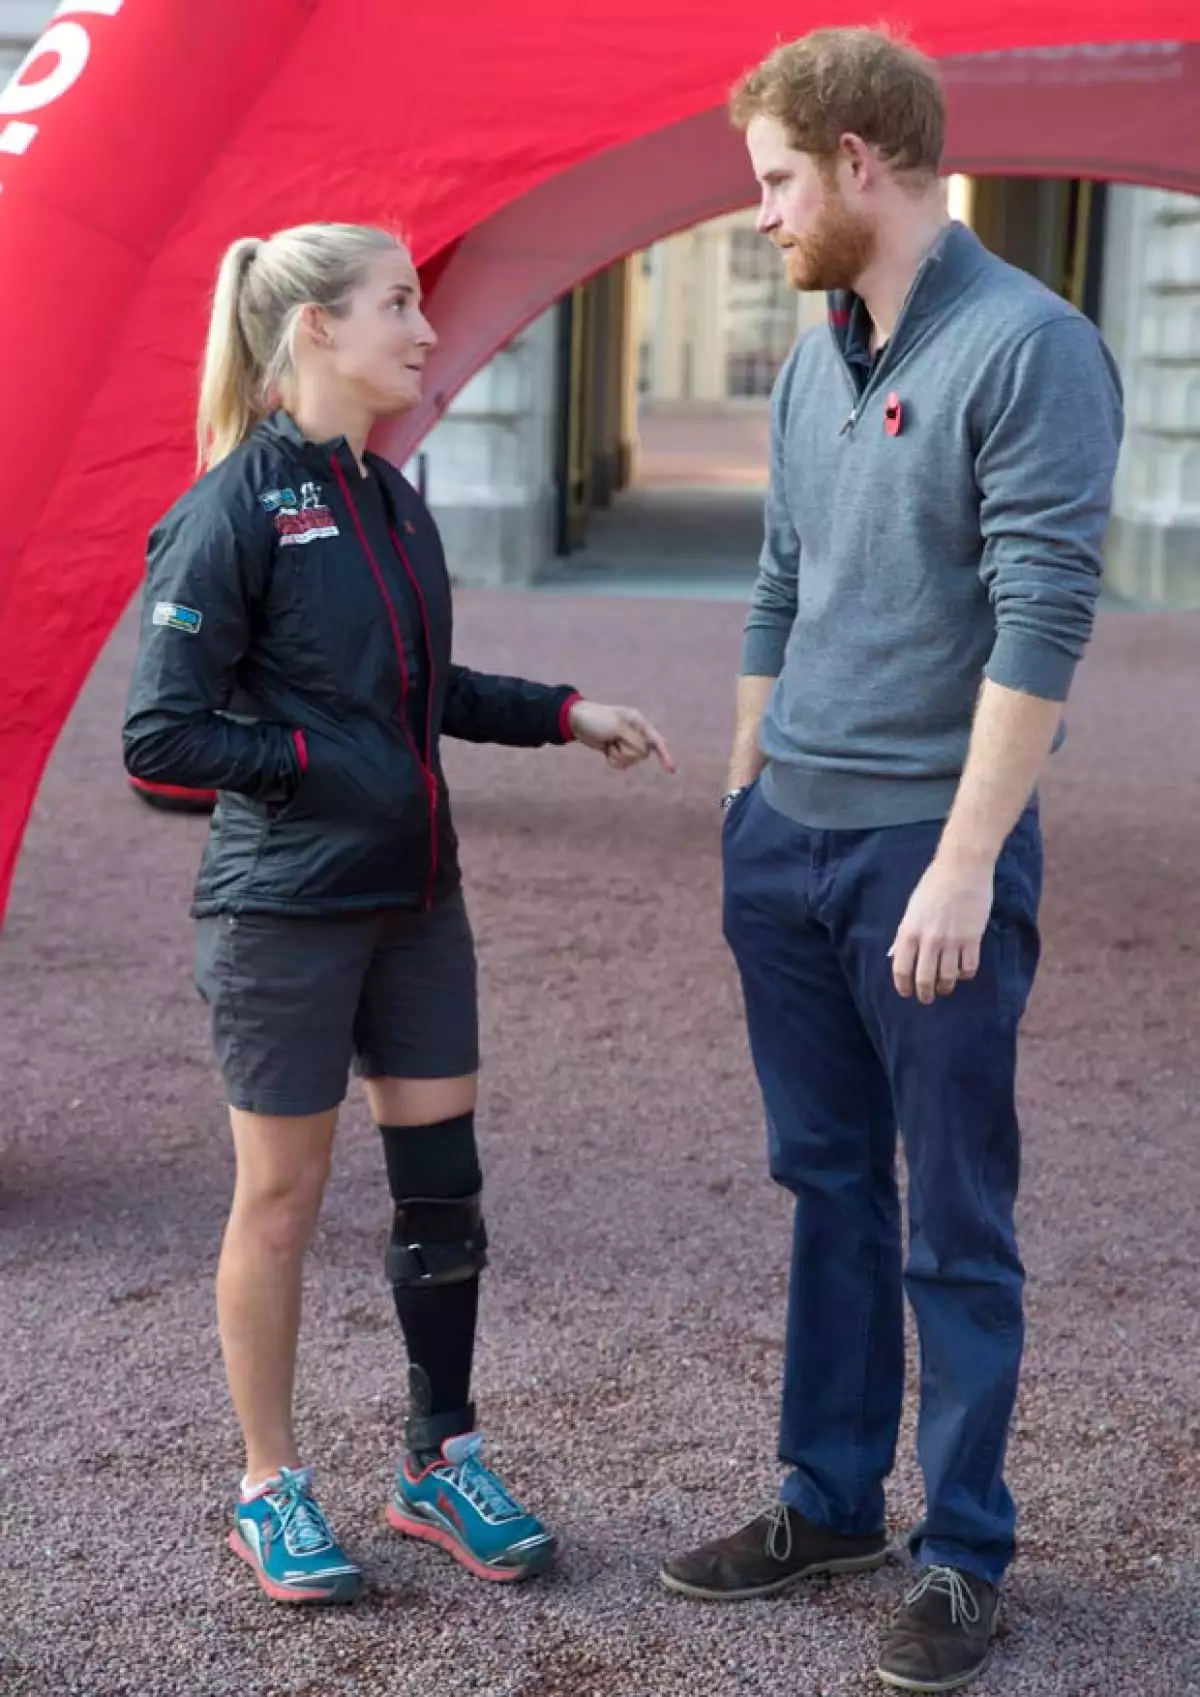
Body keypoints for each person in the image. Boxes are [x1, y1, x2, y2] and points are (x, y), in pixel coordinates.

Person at [658, 28, 1122, 1694]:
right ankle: (829, 1501)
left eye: (779, 181)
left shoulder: (1030, 345)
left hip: (934, 852)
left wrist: (966, 862)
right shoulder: (812, 359)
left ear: (864, 158)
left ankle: (964, 1550)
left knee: (957, 1219)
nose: (764, 217)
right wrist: (742, 787)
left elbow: (1043, 616)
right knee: (826, 1190)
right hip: (788, 848)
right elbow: (780, 580)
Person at [123, 221, 674, 1607]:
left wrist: (559, 713)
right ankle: (271, 1487)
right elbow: (160, 738)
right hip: (286, 916)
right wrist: (319, 766)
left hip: (418, 906)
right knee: (281, 1200)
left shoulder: (390, 494)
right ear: (314, 328)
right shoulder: (231, 507)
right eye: (398, 307)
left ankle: (441, 1458)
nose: (425, 334)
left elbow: (416, 691)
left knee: (445, 1194)